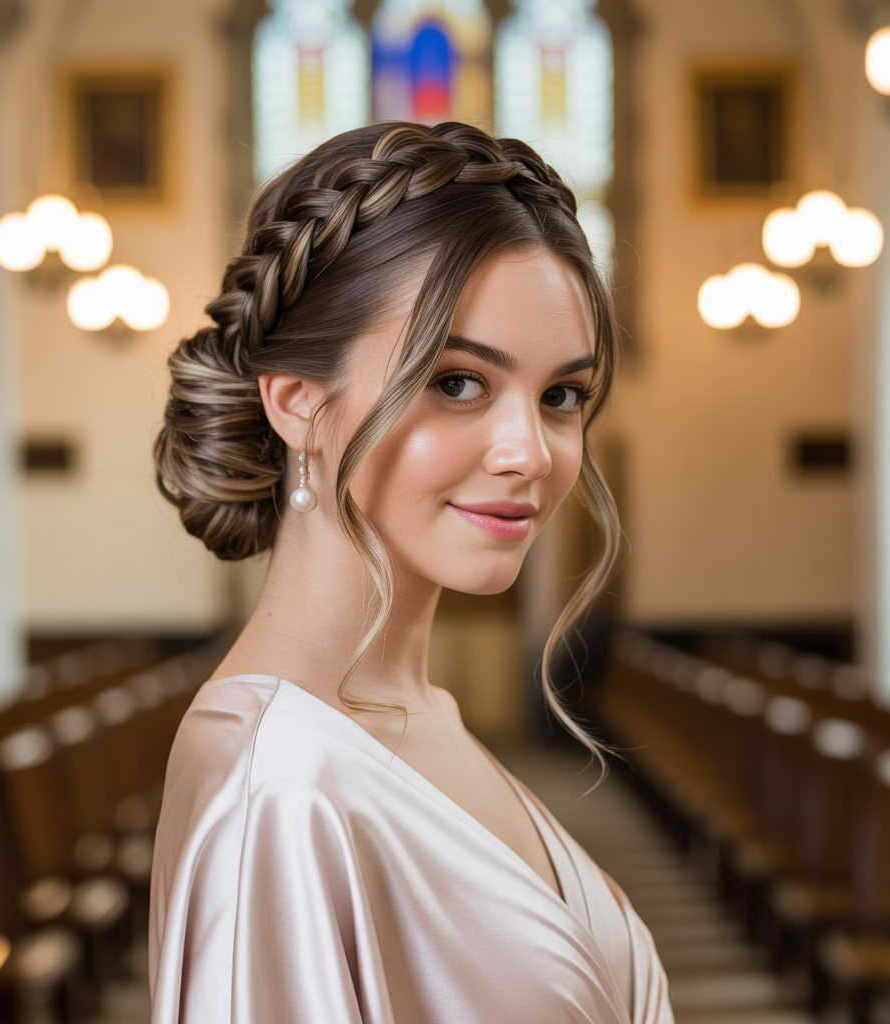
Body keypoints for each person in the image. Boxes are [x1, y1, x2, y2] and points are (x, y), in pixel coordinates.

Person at [149, 121, 671, 1024]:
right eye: (458, 382)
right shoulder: (278, 790)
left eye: (561, 396)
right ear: (297, 401)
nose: (530, 453)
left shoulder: (420, 711)